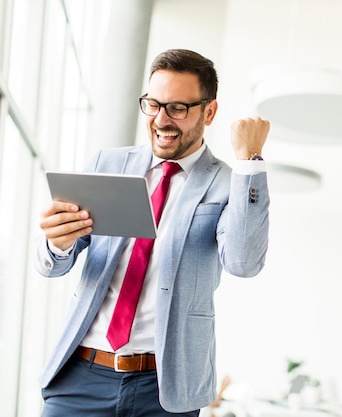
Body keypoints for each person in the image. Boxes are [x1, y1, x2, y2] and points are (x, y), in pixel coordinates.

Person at [34, 49, 270, 416]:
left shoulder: (228, 183)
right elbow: (53, 265)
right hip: (81, 377)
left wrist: (249, 161)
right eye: (153, 104)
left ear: (209, 112)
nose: (161, 119)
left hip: (165, 390)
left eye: (177, 107)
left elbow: (243, 262)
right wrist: (57, 243)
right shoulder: (108, 164)